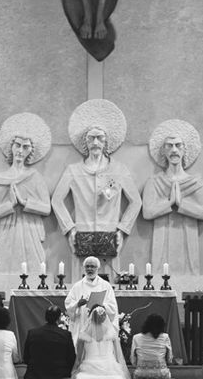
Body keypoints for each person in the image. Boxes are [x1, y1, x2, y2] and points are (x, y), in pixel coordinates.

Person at [52, 99, 141, 277]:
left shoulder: (119, 170)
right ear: (85, 142)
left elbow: (136, 202)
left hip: (110, 235)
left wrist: (122, 230)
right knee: (80, 282)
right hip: (82, 235)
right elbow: (56, 201)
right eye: (91, 138)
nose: (95, 142)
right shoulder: (74, 170)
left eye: (100, 138)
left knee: (110, 282)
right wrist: (70, 229)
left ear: (106, 142)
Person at [0, 113, 53, 274]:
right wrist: (11, 204)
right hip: (8, 230)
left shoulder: (35, 177)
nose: (20, 151)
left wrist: (24, 202)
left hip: (30, 229)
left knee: (33, 269)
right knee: (5, 269)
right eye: (17, 145)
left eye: (25, 147)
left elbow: (46, 208)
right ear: (11, 146)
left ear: (31, 151)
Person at [142, 120, 203, 276]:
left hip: (188, 236)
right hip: (162, 236)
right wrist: (169, 203)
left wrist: (180, 204)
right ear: (163, 151)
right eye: (169, 146)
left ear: (185, 150)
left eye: (178, 145)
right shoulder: (154, 182)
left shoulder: (195, 182)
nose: (174, 150)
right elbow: (147, 212)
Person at [58, 305, 140, 379]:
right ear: (104, 318)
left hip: (89, 368)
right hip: (110, 368)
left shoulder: (83, 335)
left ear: (90, 316)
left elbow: (78, 359)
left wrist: (73, 373)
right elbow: (118, 358)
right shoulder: (112, 334)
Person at [23, 305, 77, 379]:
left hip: (35, 375)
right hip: (60, 375)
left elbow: (26, 358)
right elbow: (72, 360)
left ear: (45, 317)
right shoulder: (66, 335)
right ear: (58, 319)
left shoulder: (32, 333)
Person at [64, 256, 119, 342]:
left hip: (100, 325)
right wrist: (77, 304)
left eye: (92, 266)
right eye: (87, 266)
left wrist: (102, 306)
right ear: (84, 268)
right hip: (82, 324)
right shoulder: (77, 286)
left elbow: (112, 307)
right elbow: (68, 304)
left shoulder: (106, 286)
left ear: (98, 268)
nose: (90, 269)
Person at [132, 313, 173, 379]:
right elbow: (169, 359)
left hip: (141, 373)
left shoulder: (136, 337)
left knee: (146, 378)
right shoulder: (165, 337)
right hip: (161, 373)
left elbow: (133, 361)